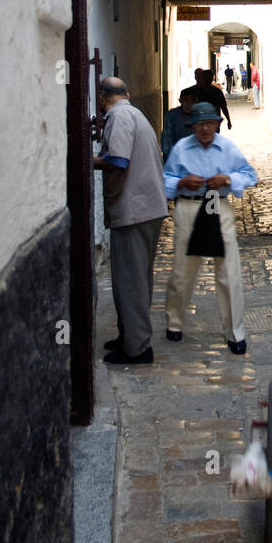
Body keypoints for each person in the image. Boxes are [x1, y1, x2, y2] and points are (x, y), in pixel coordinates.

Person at [163, 101, 258, 353]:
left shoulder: (227, 148)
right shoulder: (181, 149)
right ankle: (174, 321)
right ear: (192, 126)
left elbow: (250, 175)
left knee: (229, 271)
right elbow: (164, 180)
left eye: (209, 123)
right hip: (189, 207)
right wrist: (182, 182)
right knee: (184, 269)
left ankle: (235, 332)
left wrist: (228, 179)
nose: (205, 128)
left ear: (218, 123)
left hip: (218, 206)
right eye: (199, 124)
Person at [93, 76, 168, 365]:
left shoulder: (119, 116)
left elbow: (118, 161)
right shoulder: (134, 113)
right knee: (138, 278)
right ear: (126, 93)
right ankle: (131, 336)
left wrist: (89, 159)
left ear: (102, 97)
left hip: (134, 210)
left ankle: (136, 348)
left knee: (130, 280)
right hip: (147, 207)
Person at [160, 86, 198, 161]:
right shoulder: (172, 115)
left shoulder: (200, 116)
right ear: (180, 101)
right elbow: (166, 140)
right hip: (174, 159)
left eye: (192, 101)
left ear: (197, 101)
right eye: (185, 101)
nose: (189, 104)